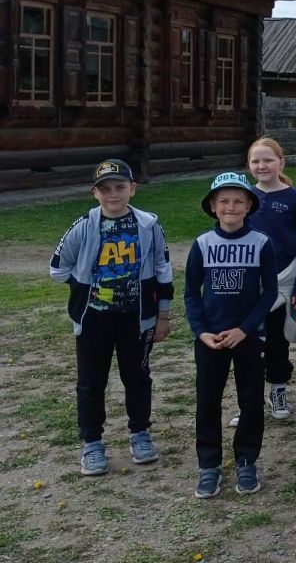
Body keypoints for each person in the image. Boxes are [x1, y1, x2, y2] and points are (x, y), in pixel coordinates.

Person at [50, 159, 173, 476]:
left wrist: (163, 315)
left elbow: (162, 269)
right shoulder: (85, 226)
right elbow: (57, 267)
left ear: (132, 188)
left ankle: (140, 433)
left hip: (136, 318)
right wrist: (83, 289)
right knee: (91, 382)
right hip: (94, 321)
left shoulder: (148, 226)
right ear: (95, 193)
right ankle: (92, 442)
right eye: (105, 189)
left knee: (137, 377)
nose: (113, 194)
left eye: (120, 187)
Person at [185, 173, 278, 498]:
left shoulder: (261, 243)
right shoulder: (202, 244)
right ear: (213, 205)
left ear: (249, 205)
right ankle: (209, 465)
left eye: (238, 200)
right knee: (207, 401)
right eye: (223, 200)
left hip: (248, 337)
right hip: (211, 338)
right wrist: (200, 332)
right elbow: (191, 294)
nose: (231, 206)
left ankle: (246, 460)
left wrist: (245, 329)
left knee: (251, 400)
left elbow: (270, 293)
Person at [246, 137, 296, 423]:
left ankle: (278, 390)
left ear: (281, 163)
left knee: (277, 341)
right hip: (251, 283)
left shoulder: (295, 199)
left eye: (268, 160)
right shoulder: (244, 196)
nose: (262, 166)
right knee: (248, 343)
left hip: (284, 281)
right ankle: (247, 400)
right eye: (255, 161)